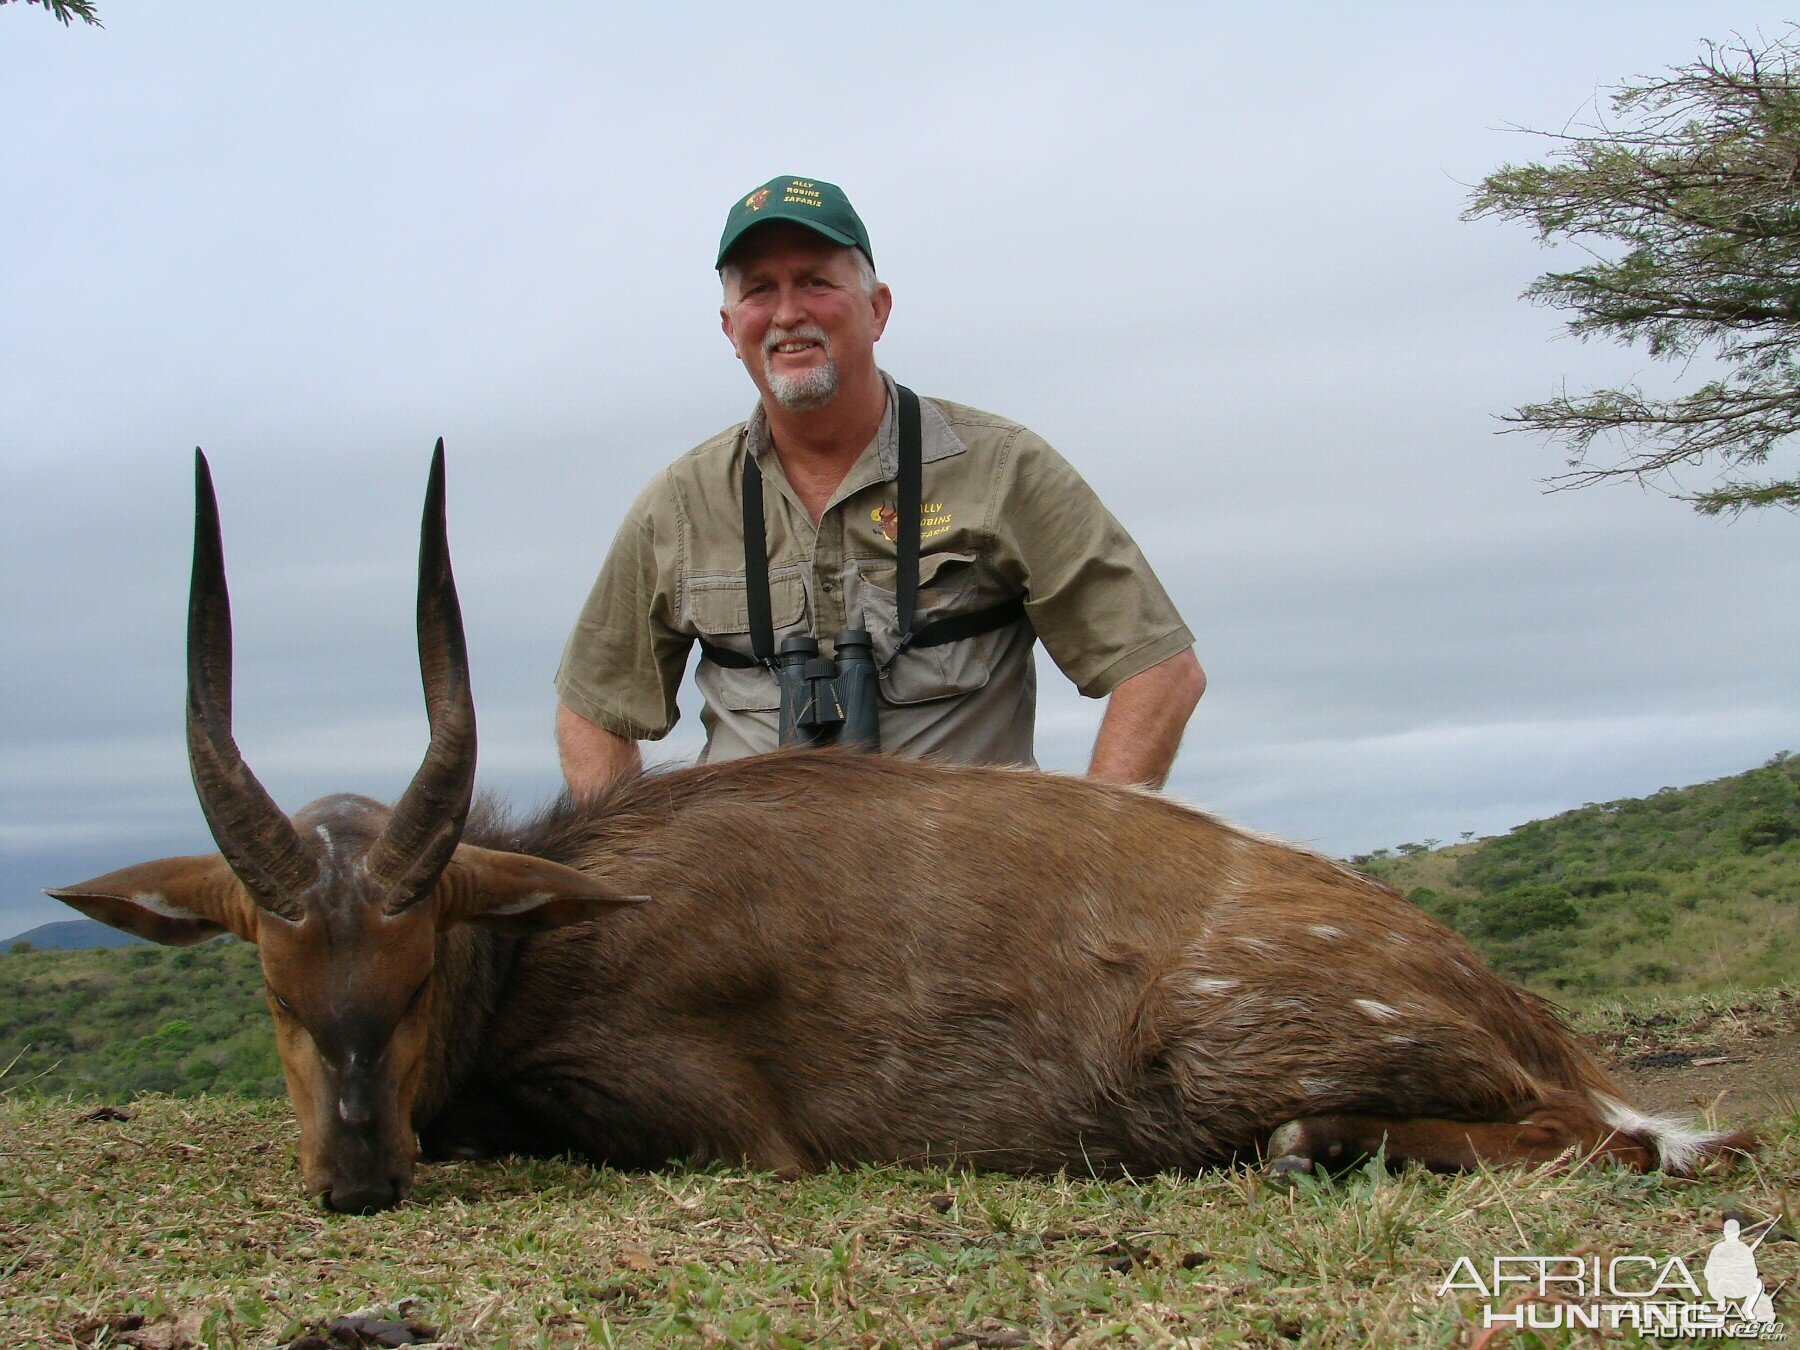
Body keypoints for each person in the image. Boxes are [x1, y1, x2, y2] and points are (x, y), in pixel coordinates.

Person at [556, 175, 1204, 797]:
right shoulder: (677, 506)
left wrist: (1085, 868)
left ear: (876, 309)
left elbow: (1161, 672)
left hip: (965, 901)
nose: (787, 313)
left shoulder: (1004, 469)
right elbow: (592, 711)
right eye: (759, 290)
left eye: (815, 281)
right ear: (731, 328)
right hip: (752, 905)